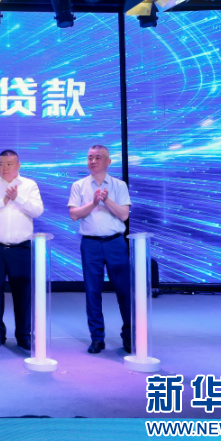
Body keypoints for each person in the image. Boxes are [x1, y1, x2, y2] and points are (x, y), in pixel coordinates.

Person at [0, 150, 44, 351]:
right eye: (1, 164)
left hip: (21, 248)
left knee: (23, 293)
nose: (4, 168)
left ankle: (23, 336)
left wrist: (17, 198)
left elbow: (38, 211)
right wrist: (3, 201)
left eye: (9, 164)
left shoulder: (29, 185)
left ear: (18, 165)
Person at [68, 145, 133, 354]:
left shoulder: (119, 185)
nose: (93, 161)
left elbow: (123, 215)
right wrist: (94, 202)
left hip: (115, 243)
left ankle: (129, 336)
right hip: (91, 244)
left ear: (108, 161)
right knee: (92, 291)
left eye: (97, 157)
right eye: (90, 157)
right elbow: (74, 214)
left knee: (124, 291)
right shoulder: (78, 185)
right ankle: (97, 338)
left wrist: (106, 200)